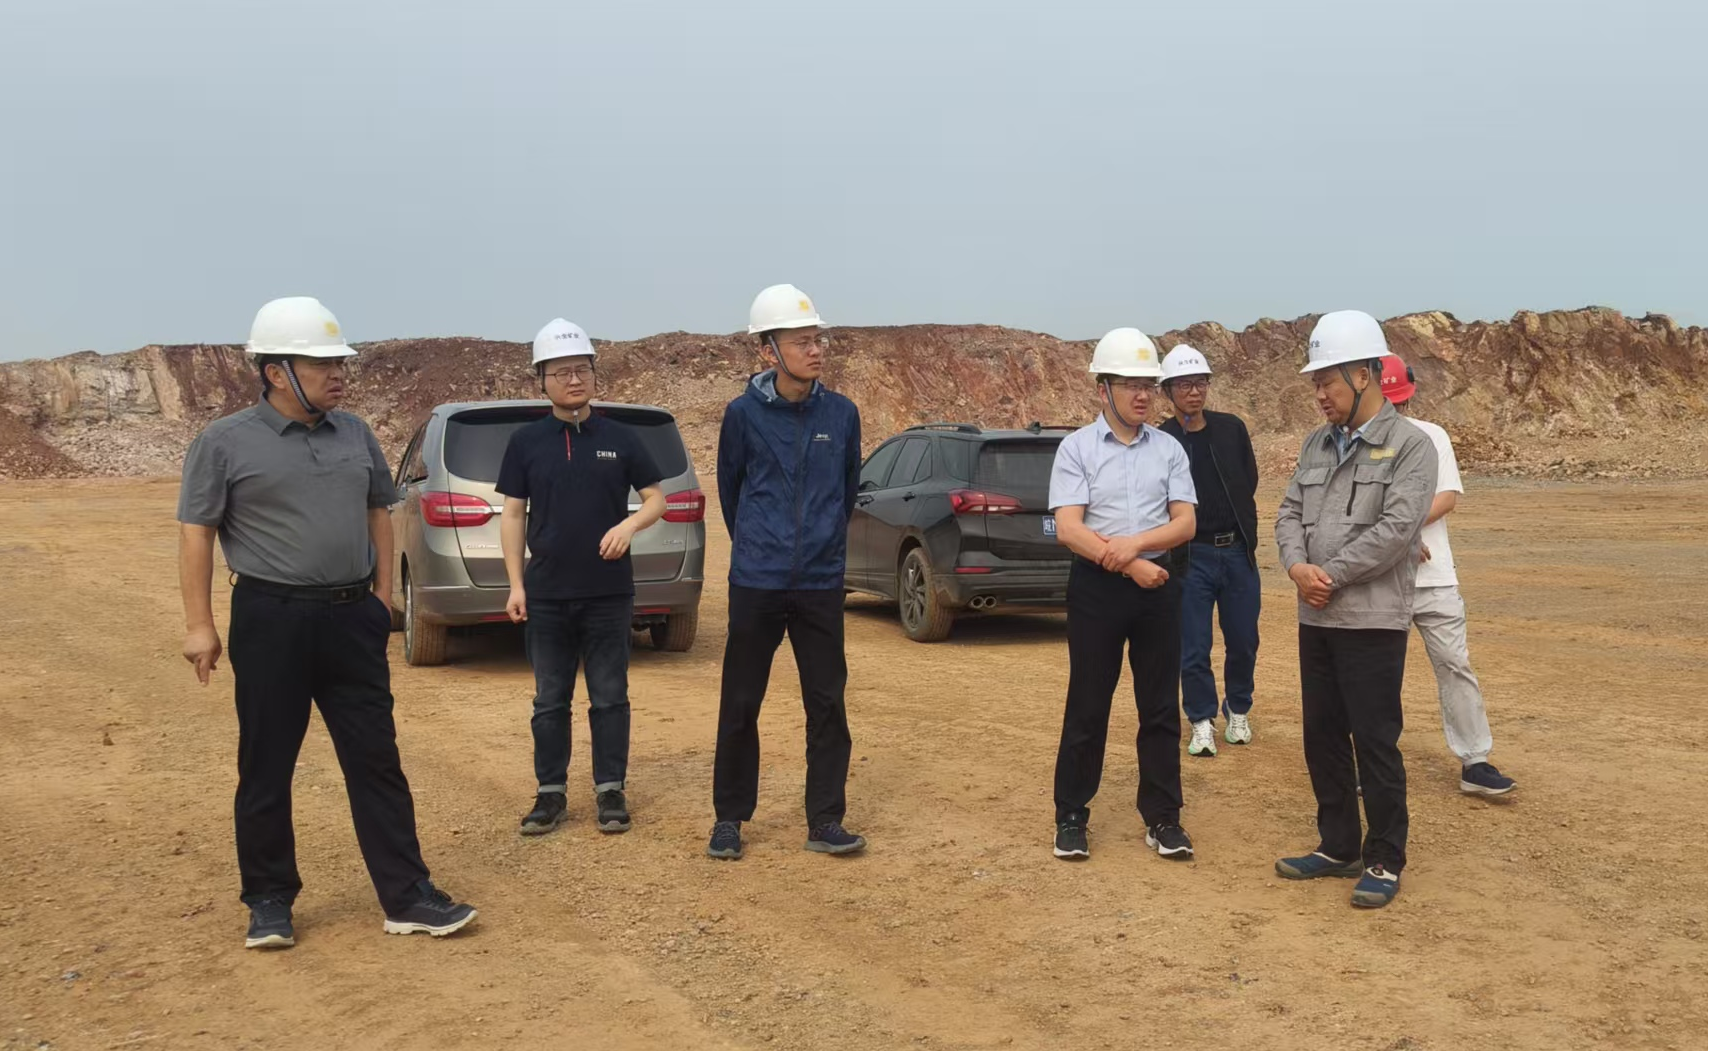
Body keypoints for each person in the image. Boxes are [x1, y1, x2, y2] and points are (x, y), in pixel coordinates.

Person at [177, 296, 476, 949]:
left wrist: (380, 598)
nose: (338, 374)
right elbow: (197, 531)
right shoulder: (223, 442)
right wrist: (200, 624)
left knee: (376, 761)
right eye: (322, 364)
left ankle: (407, 896)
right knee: (266, 764)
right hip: (270, 617)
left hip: (350, 620)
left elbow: (378, 512)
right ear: (276, 372)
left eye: (340, 363)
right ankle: (269, 902)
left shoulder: (355, 434)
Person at [1274, 310, 1437, 909]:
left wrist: (1331, 575)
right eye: (1316, 383)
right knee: (1322, 736)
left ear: (1364, 374)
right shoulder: (1316, 443)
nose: (1320, 394)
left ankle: (1385, 857)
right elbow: (1289, 512)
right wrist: (1297, 568)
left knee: (1374, 740)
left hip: (1371, 619)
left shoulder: (1411, 446)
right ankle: (1338, 845)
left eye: (1328, 381)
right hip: (1316, 616)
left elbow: (1397, 530)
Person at [708, 284, 865, 861]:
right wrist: (759, 545)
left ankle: (825, 820)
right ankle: (729, 819)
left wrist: (821, 546)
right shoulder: (742, 416)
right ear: (767, 350)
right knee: (741, 701)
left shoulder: (841, 414)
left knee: (827, 704)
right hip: (757, 582)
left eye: (817, 339)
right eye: (801, 342)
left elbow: (846, 492)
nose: (815, 350)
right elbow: (731, 492)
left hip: (820, 583)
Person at [498, 319, 666, 837]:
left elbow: (656, 499)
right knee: (550, 699)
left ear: (594, 374)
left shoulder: (620, 438)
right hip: (547, 594)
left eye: (582, 370)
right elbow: (512, 514)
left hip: (608, 593)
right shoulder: (526, 442)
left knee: (610, 695)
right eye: (562, 372)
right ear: (541, 380)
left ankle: (610, 790)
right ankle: (550, 794)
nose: (574, 380)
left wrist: (629, 525)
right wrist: (516, 584)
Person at [1047, 327, 1198, 862]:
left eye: (1148, 385)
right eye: (1131, 384)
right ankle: (1071, 816)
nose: (1142, 395)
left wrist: (1137, 548)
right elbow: (1069, 528)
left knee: (1159, 706)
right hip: (1098, 590)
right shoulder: (1077, 448)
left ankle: (1163, 818)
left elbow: (1185, 523)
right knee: (1088, 703)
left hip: (1158, 588)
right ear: (1102, 389)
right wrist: (1130, 561)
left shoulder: (1169, 449)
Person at [1377, 355, 1517, 797]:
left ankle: (1475, 760)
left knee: (1455, 665)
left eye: (1398, 401)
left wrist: (1402, 531)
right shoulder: (1356, 443)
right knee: (1378, 675)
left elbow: (1447, 497)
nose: (1394, 409)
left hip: (1433, 577)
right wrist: (1398, 538)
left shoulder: (1432, 436)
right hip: (1379, 580)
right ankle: (1374, 765)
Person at [1158, 345, 1262, 757]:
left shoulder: (1231, 429)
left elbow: (1248, 480)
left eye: (1200, 383)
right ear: (1168, 390)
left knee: (1244, 640)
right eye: (1184, 384)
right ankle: (1201, 719)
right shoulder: (1162, 439)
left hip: (1236, 551)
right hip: (1191, 557)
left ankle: (1238, 708)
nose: (1194, 392)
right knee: (1194, 645)